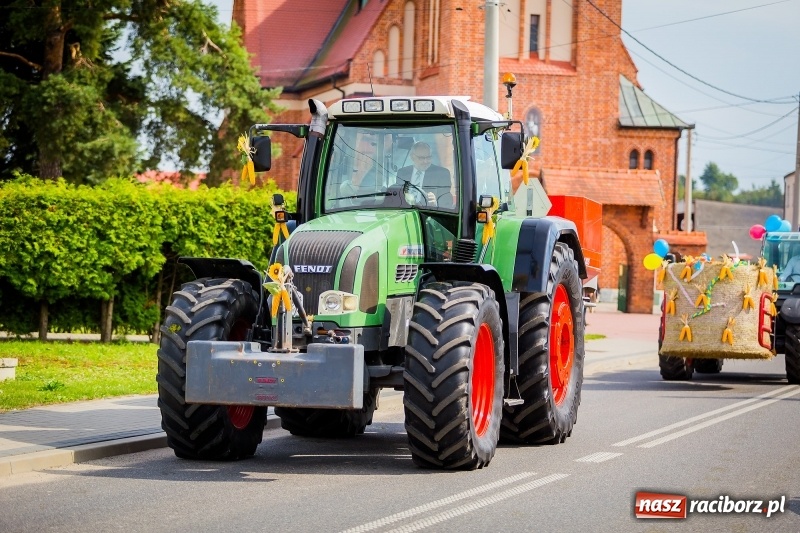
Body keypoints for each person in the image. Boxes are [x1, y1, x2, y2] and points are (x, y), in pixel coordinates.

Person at [396, 142, 453, 208]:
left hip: (429, 214)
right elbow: (398, 196)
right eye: (421, 158)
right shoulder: (402, 173)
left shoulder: (441, 173)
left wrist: (436, 203)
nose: (425, 161)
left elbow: (447, 201)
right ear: (412, 157)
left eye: (428, 157)